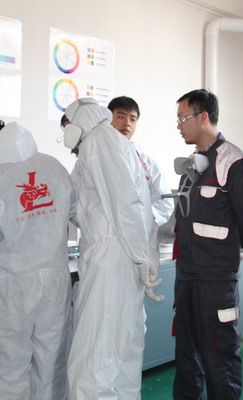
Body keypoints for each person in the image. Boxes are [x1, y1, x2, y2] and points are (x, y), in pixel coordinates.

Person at [0, 116, 74, 400]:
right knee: (52, 365)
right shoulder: (53, 166)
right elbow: (71, 214)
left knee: (8, 369)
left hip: (11, 286)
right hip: (55, 280)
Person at [61, 98, 161, 399]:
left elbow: (126, 205)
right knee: (124, 344)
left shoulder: (99, 143)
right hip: (121, 254)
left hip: (110, 257)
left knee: (97, 349)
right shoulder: (112, 144)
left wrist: (140, 257)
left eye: (66, 126)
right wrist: (142, 257)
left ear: (78, 121)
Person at [172, 89, 243, 399]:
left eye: (183, 118)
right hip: (186, 276)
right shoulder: (190, 168)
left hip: (215, 280)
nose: (179, 125)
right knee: (186, 355)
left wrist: (221, 253)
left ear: (203, 117)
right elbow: (182, 217)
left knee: (219, 358)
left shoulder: (234, 163)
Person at [107, 96, 173, 225]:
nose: (127, 123)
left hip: (139, 233)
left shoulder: (146, 162)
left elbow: (165, 202)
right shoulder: (94, 157)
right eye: (121, 116)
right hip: (103, 234)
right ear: (108, 119)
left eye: (132, 119)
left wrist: (141, 220)